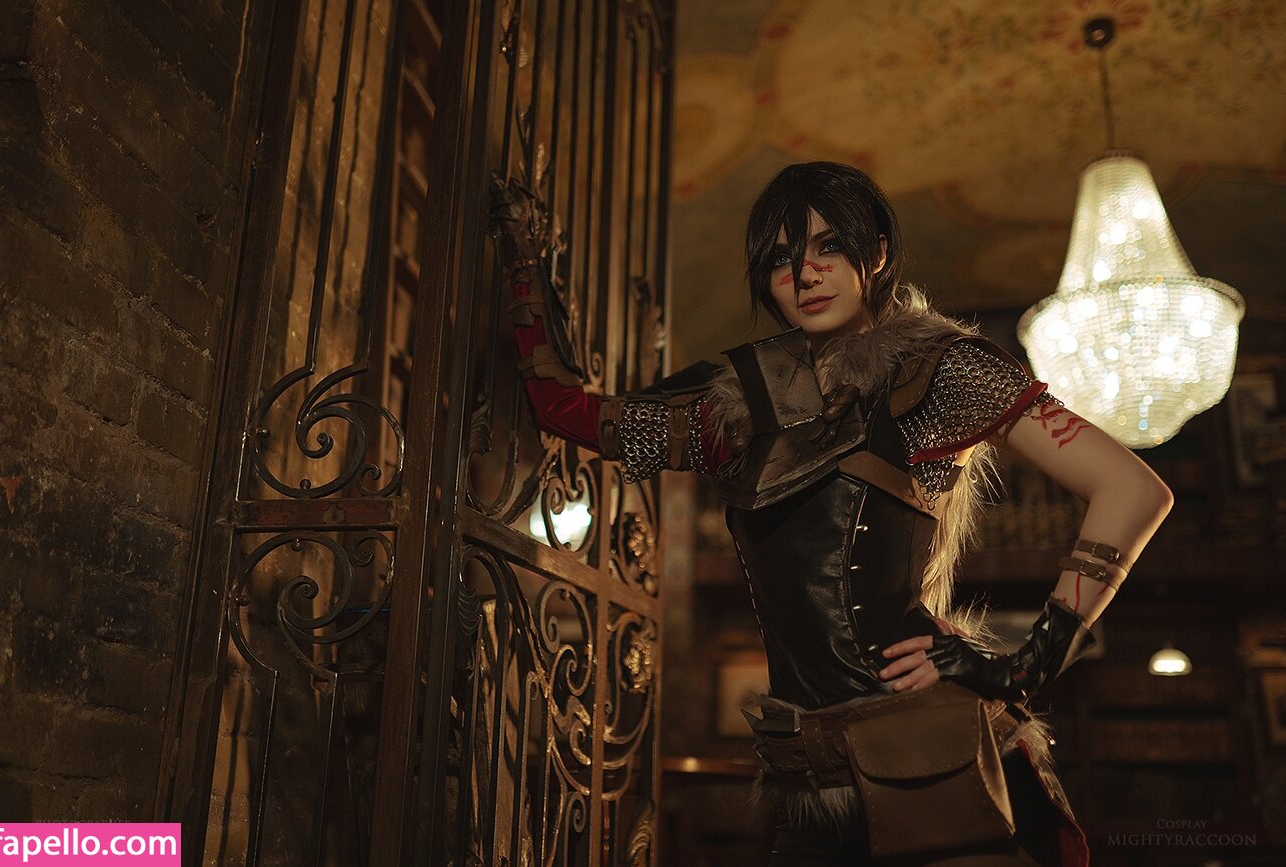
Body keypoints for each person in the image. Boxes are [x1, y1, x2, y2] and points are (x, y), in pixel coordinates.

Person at [491, 161, 1173, 866]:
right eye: (781, 258)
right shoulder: (738, 404)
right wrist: (523, 267)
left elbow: (1132, 490)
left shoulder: (936, 369)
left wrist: (1024, 666)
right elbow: (567, 412)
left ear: (875, 252)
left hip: (932, 764)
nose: (805, 273)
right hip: (808, 779)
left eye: (829, 246)